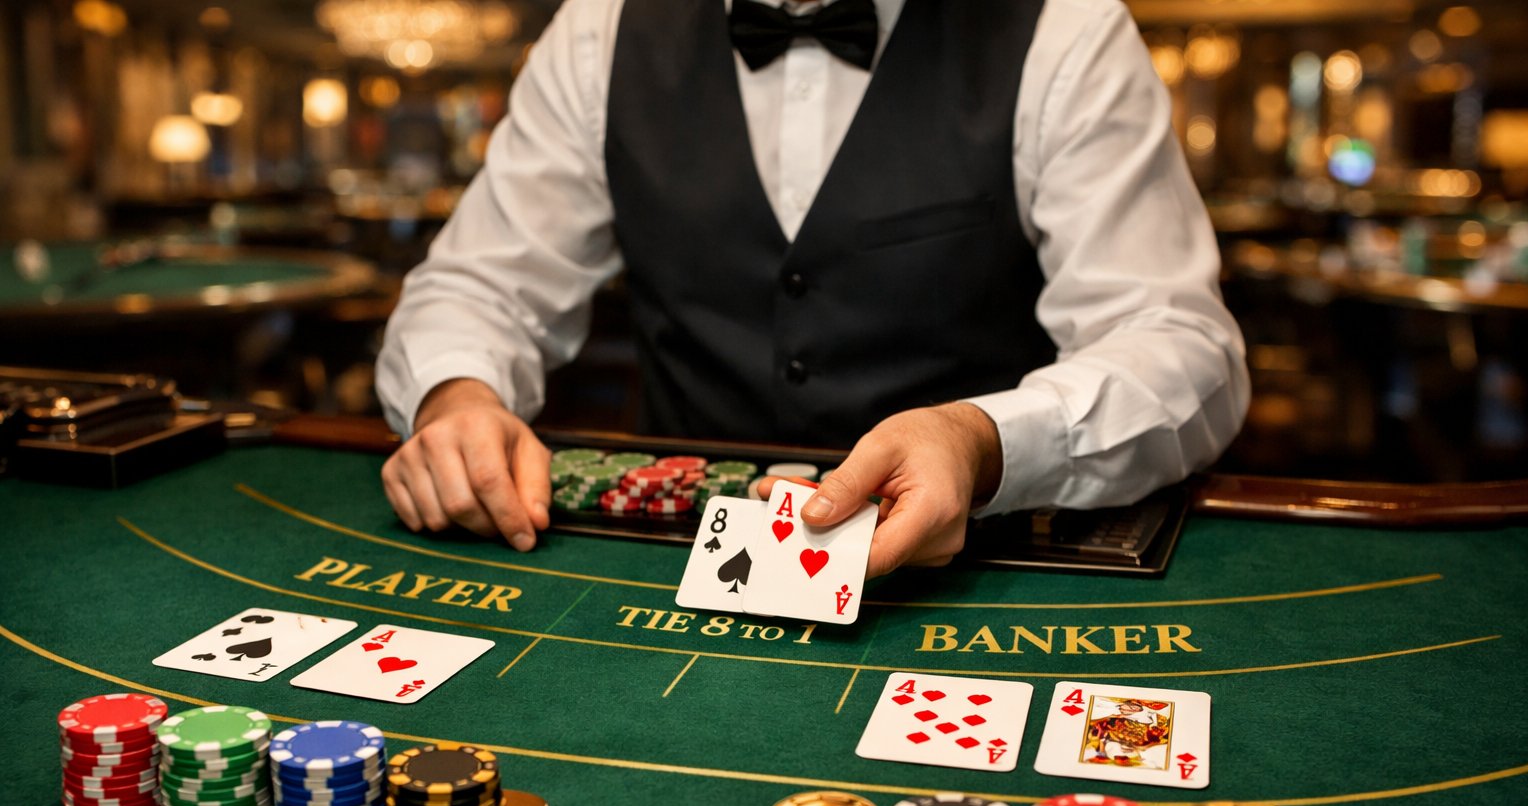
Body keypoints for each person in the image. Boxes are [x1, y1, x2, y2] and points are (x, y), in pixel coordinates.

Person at [376, 0, 1249, 578]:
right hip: (670, 568)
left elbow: (1180, 345)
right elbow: (479, 283)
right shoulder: (601, 27)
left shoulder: (1064, 26)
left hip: (973, 579)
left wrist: (985, 441)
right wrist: (457, 395)